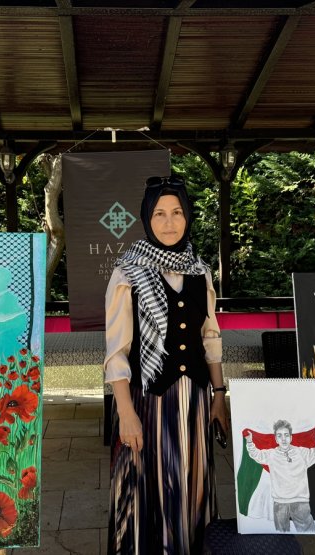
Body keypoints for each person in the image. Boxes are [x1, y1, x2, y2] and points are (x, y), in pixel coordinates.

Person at [104, 175, 228, 554]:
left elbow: (210, 336)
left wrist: (219, 394)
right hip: (148, 402)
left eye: (177, 212)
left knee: (194, 486)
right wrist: (125, 411)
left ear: (187, 217)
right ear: (147, 218)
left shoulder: (200, 271)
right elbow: (116, 350)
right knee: (149, 491)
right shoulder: (128, 273)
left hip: (195, 403)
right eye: (159, 213)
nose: (169, 222)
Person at [244, 419, 315, 533]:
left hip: (300, 501)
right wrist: (249, 441)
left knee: (307, 530)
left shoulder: (301, 452)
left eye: (286, 435)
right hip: (280, 502)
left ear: (291, 437)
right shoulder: (271, 454)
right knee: (281, 533)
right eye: (280, 436)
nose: (283, 439)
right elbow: (256, 454)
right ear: (276, 439)